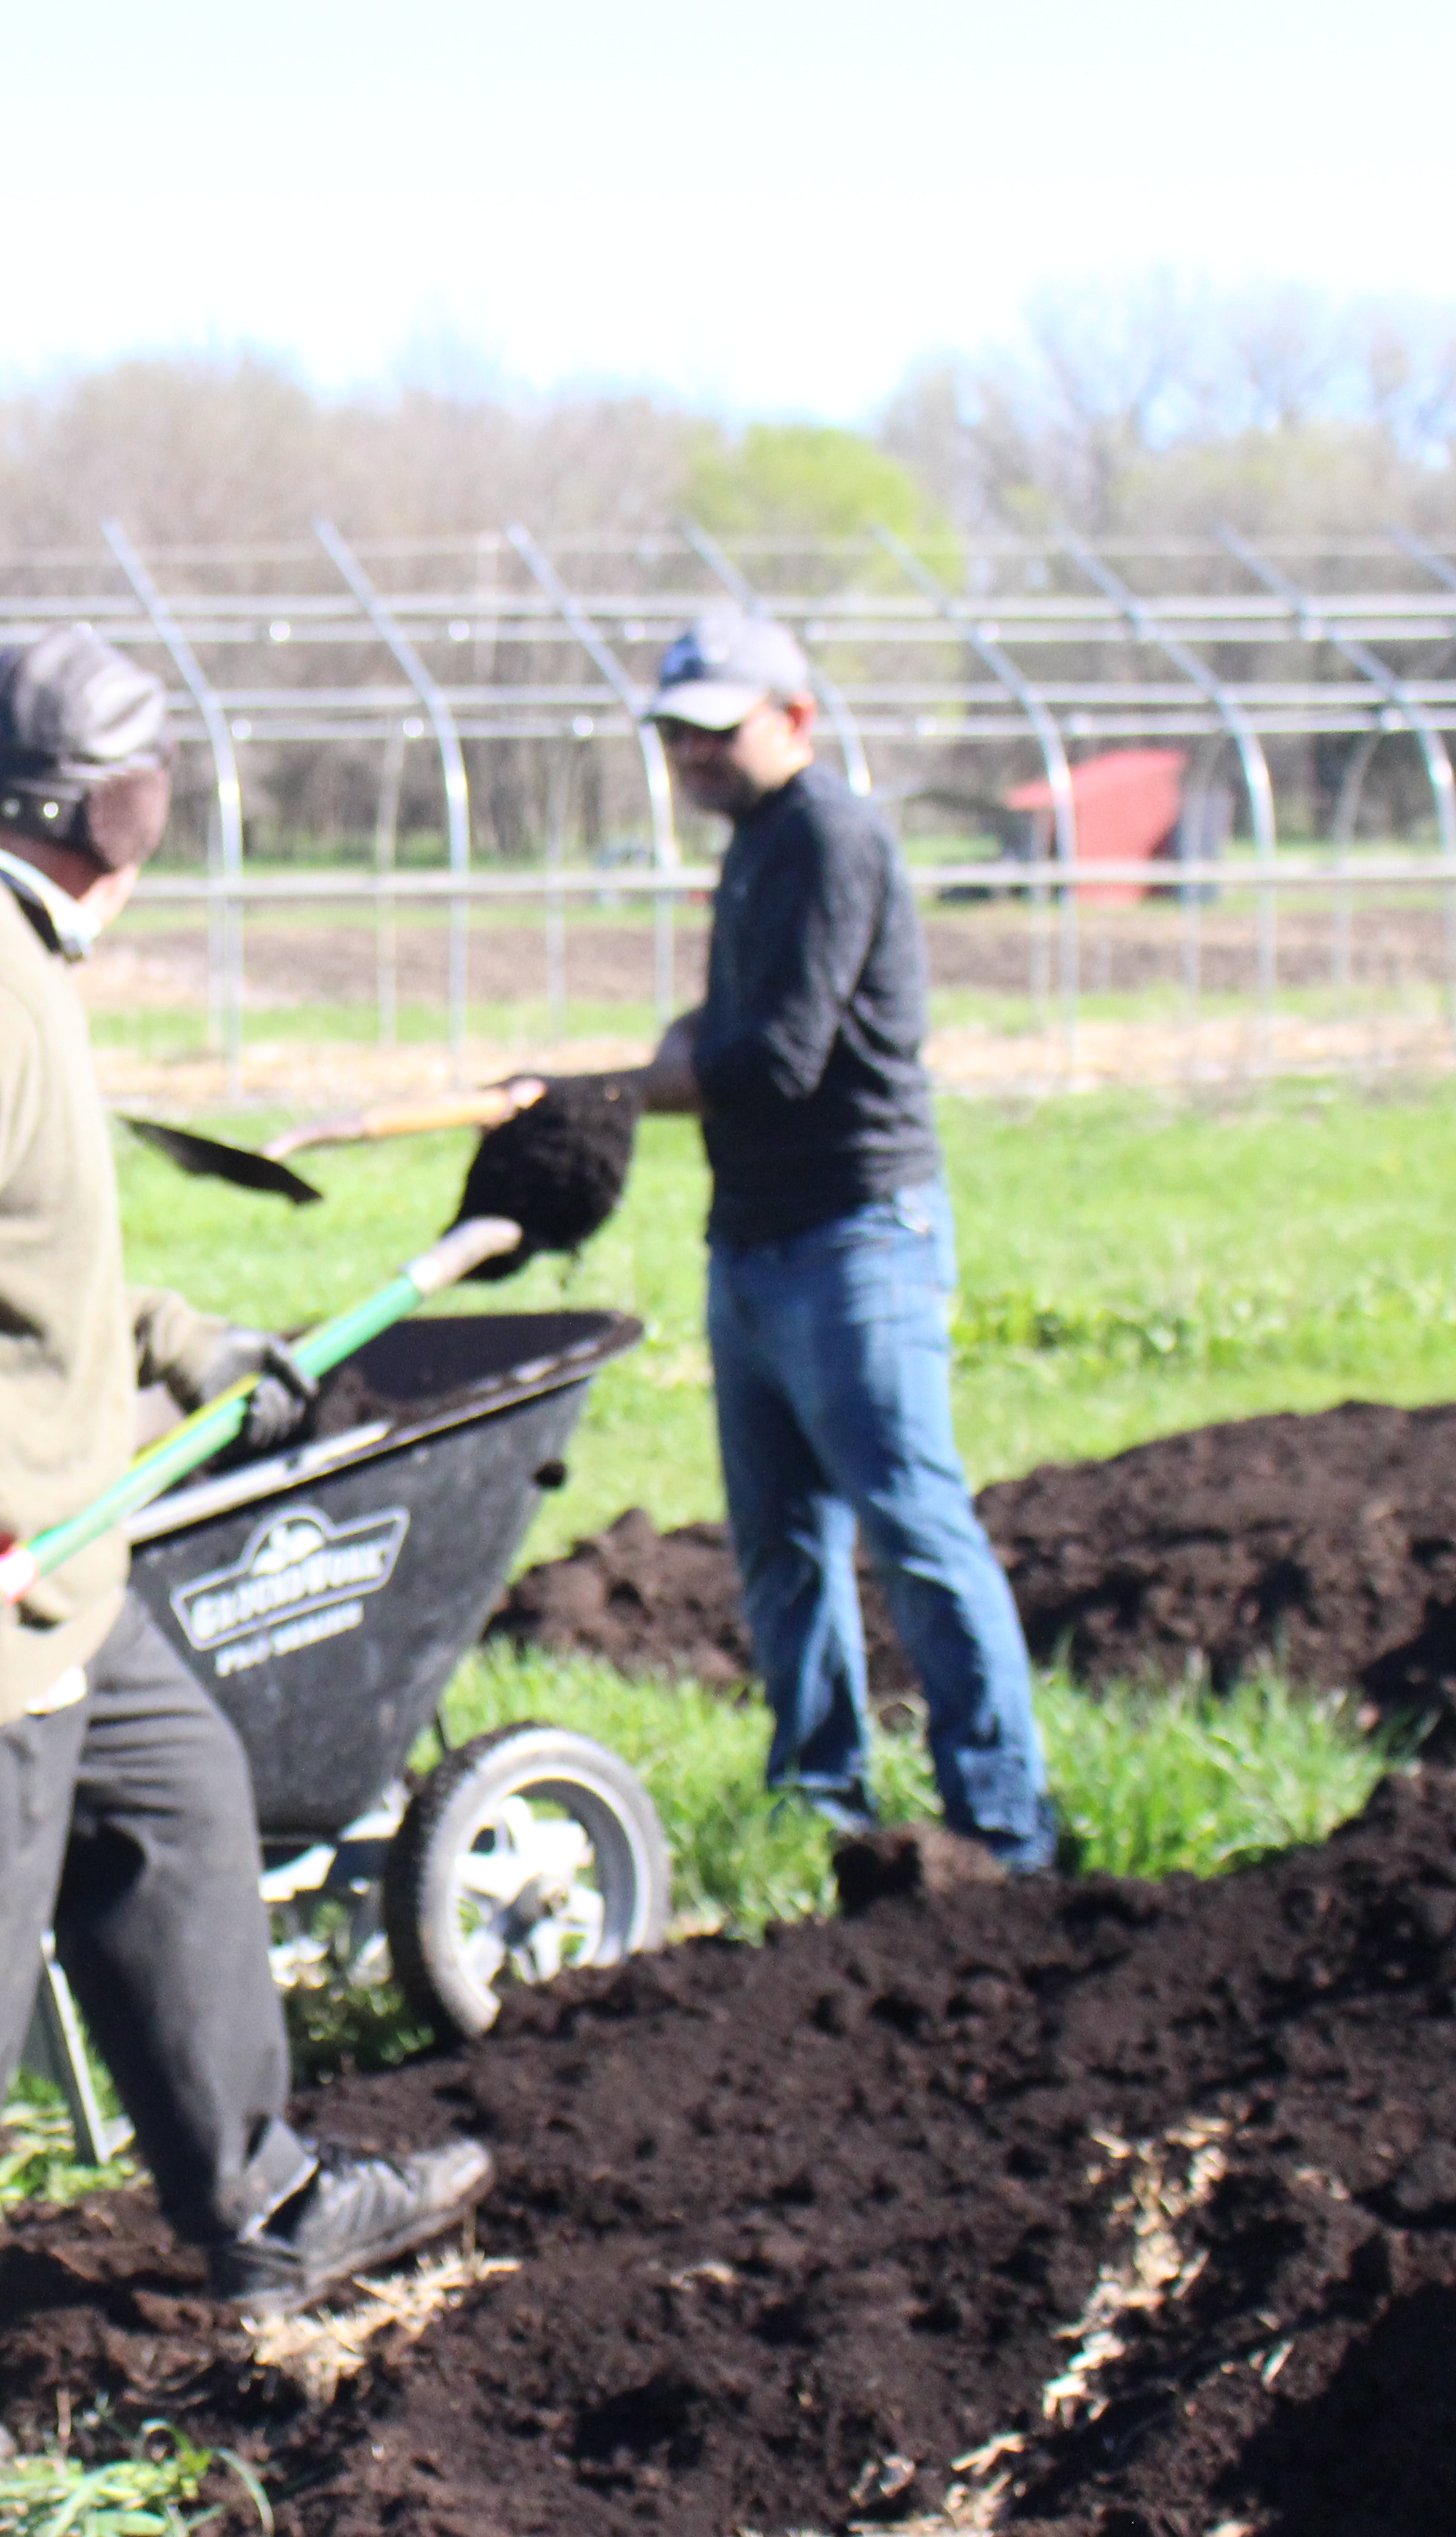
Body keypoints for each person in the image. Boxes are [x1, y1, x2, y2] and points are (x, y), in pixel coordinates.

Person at [0, 625, 495, 2480]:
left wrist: (185, 1343)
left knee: (174, 1796)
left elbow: (15, 1249)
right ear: (114, 815)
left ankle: (263, 2196)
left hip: (59, 1570)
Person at [628, 611, 1059, 1873]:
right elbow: (734, 1020)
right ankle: (819, 1798)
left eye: (717, 732)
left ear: (797, 719)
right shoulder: (762, 846)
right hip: (756, 1242)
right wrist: (653, 1057)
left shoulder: (830, 837)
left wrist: (628, 1085)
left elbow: (775, 1058)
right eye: (676, 738)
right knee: (781, 1549)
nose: (693, 758)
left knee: (915, 1529)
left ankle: (1004, 1823)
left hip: (855, 1237)